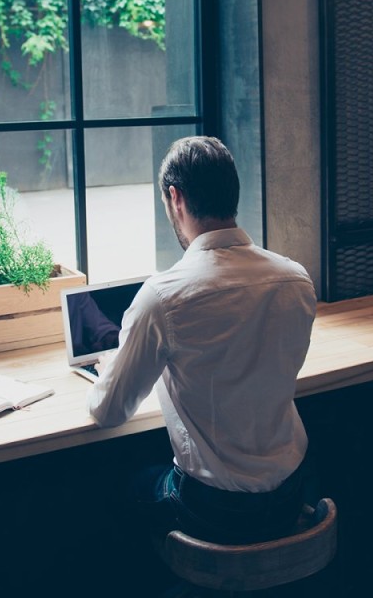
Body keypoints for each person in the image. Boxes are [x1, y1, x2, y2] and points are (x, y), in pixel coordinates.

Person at [87, 135, 317, 545]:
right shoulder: (296, 279)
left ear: (175, 198)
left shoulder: (163, 297)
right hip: (292, 492)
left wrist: (115, 368)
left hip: (215, 511)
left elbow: (108, 411)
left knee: (114, 484)